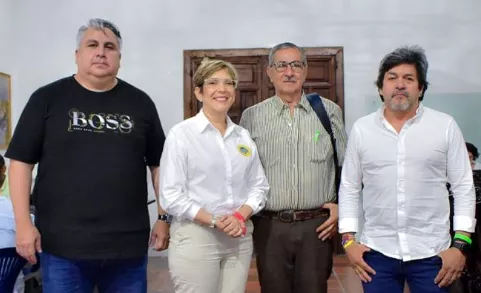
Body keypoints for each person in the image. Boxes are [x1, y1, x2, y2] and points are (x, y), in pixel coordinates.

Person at [5, 18, 168, 293]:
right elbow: (20, 163)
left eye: (110, 47)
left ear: (120, 57)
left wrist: (164, 219)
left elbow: (159, 165)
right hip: (63, 247)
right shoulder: (46, 99)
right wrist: (23, 224)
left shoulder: (140, 103)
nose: (101, 52)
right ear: (77, 54)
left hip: (127, 247)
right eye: (92, 45)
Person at [338, 46, 476, 293]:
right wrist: (349, 242)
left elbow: (464, 188)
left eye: (409, 78)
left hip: (433, 253)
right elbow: (349, 187)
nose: (400, 85)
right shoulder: (362, 129)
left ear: (421, 89)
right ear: (381, 88)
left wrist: (460, 245)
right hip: (377, 253)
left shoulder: (444, 126)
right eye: (392, 78)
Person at [239, 42, 347, 293]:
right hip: (270, 226)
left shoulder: (329, 112)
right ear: (269, 72)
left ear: (305, 70)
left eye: (296, 64)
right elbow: (242, 172)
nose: (289, 72)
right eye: (281, 65)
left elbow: (348, 167)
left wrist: (341, 206)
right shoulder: (252, 117)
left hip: (316, 227)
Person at [159, 58, 269, 293]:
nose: (223, 89)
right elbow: (170, 196)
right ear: (199, 92)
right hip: (197, 236)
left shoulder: (242, 136)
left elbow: (260, 186)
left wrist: (240, 215)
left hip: (237, 237)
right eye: (213, 82)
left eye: (229, 83)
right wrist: (216, 220)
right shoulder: (182, 134)